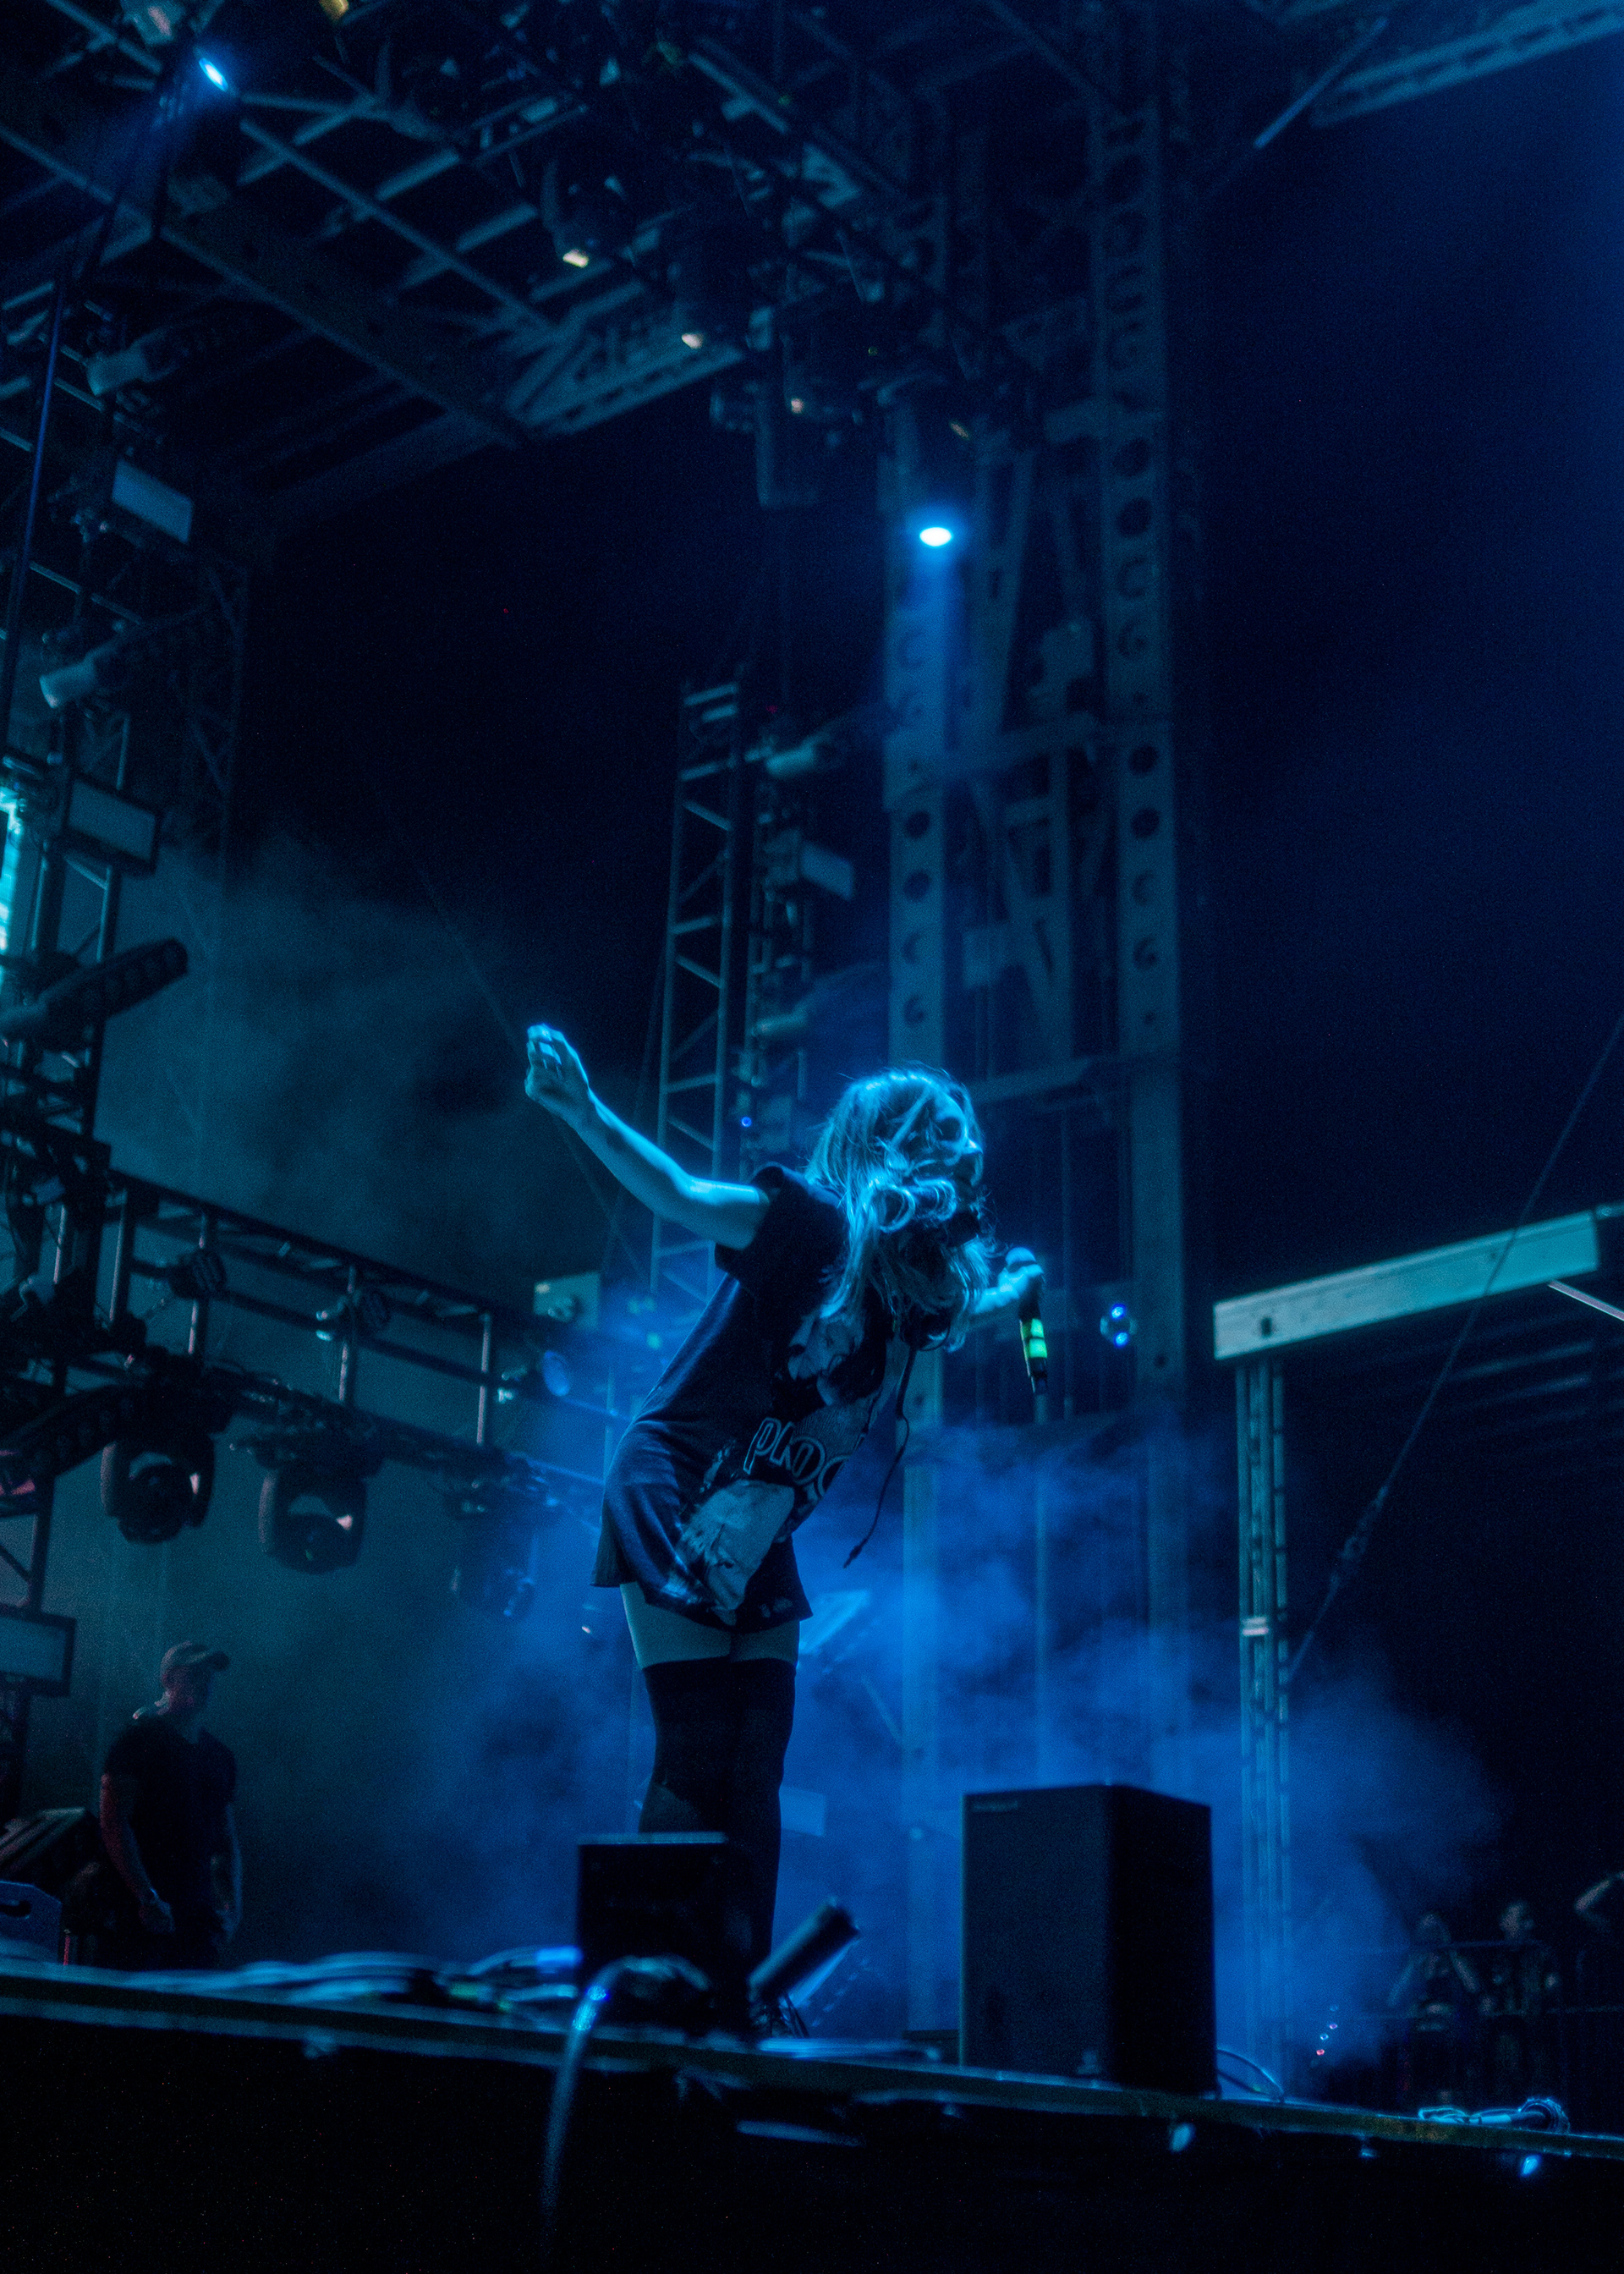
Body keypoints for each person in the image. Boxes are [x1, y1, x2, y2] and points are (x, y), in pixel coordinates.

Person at [524, 1024, 1041, 1971]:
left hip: (759, 1516)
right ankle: (656, 1985)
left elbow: (963, 1309)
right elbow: (682, 1195)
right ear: (885, 1144)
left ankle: (734, 1991)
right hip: (680, 1479)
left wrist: (1011, 1293)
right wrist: (582, 1108)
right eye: (937, 1127)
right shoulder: (808, 1224)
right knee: (698, 1748)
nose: (963, 1143)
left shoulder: (908, 1285)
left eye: (963, 1128)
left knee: (758, 1763)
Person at [97, 1642, 241, 1970]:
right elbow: (114, 1823)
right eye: (194, 1674)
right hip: (140, 1917)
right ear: (168, 1679)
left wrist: (232, 1909)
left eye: (208, 1676)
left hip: (195, 1918)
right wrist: (145, 1896)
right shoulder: (138, 1741)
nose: (204, 1683)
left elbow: (225, 1842)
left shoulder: (219, 1757)